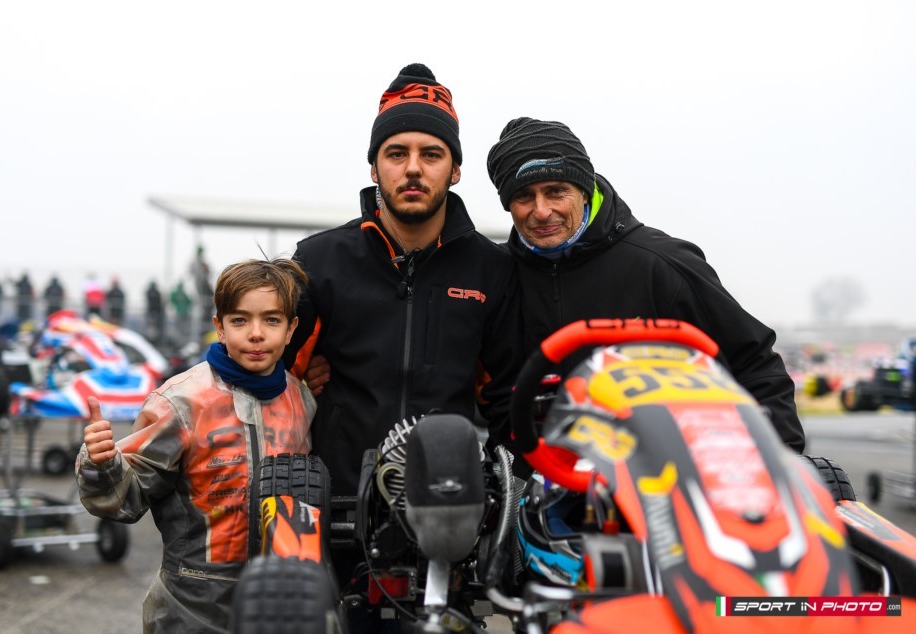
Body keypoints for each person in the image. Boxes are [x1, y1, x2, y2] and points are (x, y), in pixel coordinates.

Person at [485, 117, 804, 452]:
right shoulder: (496, 274)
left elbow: (753, 365)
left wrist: (781, 461)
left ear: (584, 190)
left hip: (658, 469)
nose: (541, 210)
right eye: (524, 196)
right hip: (532, 470)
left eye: (556, 191)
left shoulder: (662, 263)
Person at [283, 63, 525, 500]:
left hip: (449, 506)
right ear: (374, 168)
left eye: (431, 154)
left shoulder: (492, 269)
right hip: (335, 507)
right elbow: (264, 374)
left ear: (455, 169)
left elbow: (507, 404)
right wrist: (300, 388)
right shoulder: (318, 261)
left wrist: (502, 496)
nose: (413, 168)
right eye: (397, 154)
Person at [76, 257, 316, 633]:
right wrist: (102, 462)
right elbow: (125, 499)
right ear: (219, 327)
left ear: (290, 330)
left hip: (278, 603)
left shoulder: (302, 401)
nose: (256, 334)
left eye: (271, 320)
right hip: (191, 606)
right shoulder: (181, 401)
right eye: (240, 320)